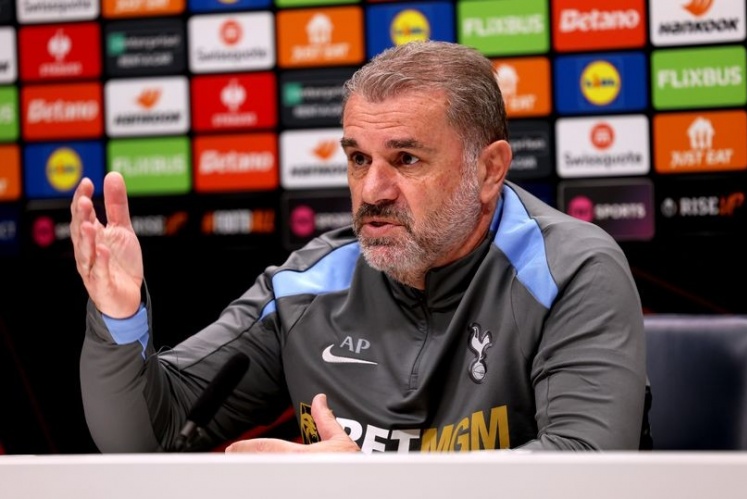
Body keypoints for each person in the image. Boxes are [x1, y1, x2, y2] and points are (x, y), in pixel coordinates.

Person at [70, 40, 649, 453]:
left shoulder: (570, 270)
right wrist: (119, 317)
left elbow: (584, 467)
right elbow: (150, 435)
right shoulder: (306, 288)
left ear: (489, 169)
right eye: (357, 159)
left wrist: (369, 486)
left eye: (406, 159)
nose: (372, 191)